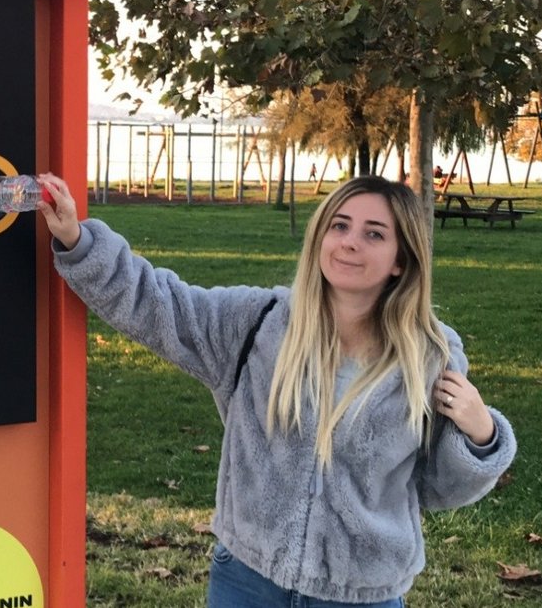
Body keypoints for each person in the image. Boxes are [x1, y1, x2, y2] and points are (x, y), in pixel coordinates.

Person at [34, 173, 516, 607]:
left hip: (361, 598)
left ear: (400, 259)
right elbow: (158, 305)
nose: (349, 243)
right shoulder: (259, 324)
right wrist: (78, 241)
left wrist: (481, 435)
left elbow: (436, 490)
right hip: (247, 583)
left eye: (374, 234)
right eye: (339, 226)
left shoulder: (429, 357)